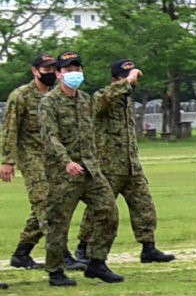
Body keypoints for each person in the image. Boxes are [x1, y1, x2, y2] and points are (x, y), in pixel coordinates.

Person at [43, 57, 122, 283]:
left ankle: (97, 262)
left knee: (108, 212)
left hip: (90, 169)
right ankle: (55, 271)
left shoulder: (85, 100)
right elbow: (50, 136)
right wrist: (66, 161)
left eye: (77, 68)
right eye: (68, 69)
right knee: (59, 222)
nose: (74, 73)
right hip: (64, 173)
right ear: (58, 74)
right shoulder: (49, 102)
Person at [5, 50, 77, 284]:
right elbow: (10, 129)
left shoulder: (58, 96)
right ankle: (61, 254)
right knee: (45, 202)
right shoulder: (21, 96)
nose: (49, 73)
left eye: (52, 69)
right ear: (35, 71)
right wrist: (7, 160)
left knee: (49, 203)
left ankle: (21, 253)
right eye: (45, 70)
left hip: (54, 158)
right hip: (30, 156)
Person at [92, 60, 171, 264]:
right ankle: (84, 248)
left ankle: (148, 247)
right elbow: (100, 103)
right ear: (114, 80)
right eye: (125, 77)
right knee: (101, 209)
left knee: (144, 205)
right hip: (109, 166)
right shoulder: (103, 97)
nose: (131, 82)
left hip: (130, 165)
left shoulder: (127, 102)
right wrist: (126, 82)